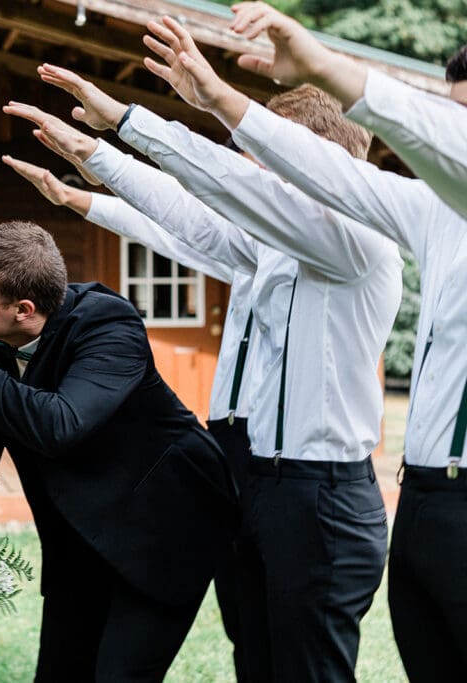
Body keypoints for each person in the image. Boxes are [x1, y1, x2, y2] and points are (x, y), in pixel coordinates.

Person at [33, 45, 402, 679]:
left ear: (318, 167)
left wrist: (127, 120)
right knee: (254, 662)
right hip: (258, 480)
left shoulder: (358, 241)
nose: (253, 173)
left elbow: (224, 191)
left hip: (320, 500)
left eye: (268, 163)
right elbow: (188, 223)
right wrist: (98, 165)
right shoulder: (274, 248)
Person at [161, 7, 467, 679]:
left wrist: (219, 97)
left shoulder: (359, 242)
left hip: (337, 491)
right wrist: (106, 152)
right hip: (408, 495)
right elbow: (193, 216)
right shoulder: (429, 218)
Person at [0, 221, 238, 682]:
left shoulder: (108, 324)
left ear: (23, 309)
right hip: (76, 540)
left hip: (166, 527)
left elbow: (61, 425)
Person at [0, 110, 259, 679]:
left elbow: (189, 219)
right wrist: (77, 200)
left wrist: (103, 153)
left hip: (186, 507)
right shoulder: (246, 250)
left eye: (249, 163)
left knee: (255, 646)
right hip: (114, 518)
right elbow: (175, 231)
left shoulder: (107, 321)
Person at [227, 1, 467, 221]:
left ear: (319, 147)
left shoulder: (353, 231)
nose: (453, 124)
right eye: (452, 111)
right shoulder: (436, 210)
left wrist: (323, 68)